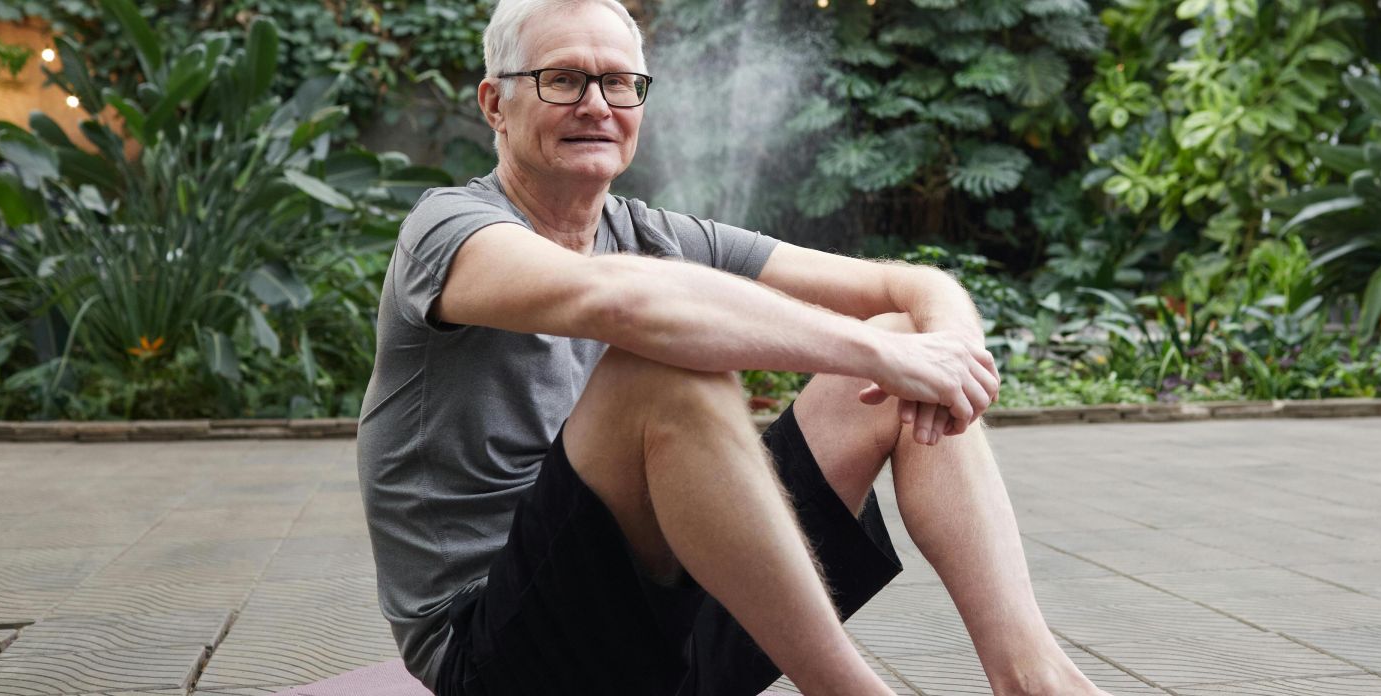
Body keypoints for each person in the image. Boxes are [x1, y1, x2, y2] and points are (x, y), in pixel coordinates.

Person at [355, 1, 1116, 694]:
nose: (596, 104)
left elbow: (913, 289)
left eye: (620, 83)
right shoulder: (449, 229)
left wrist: (941, 345)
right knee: (664, 367)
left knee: (903, 337)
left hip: (680, 635)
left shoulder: (655, 231)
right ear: (497, 103)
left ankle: (1035, 677)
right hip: (506, 657)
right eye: (562, 80)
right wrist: (880, 357)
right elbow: (621, 302)